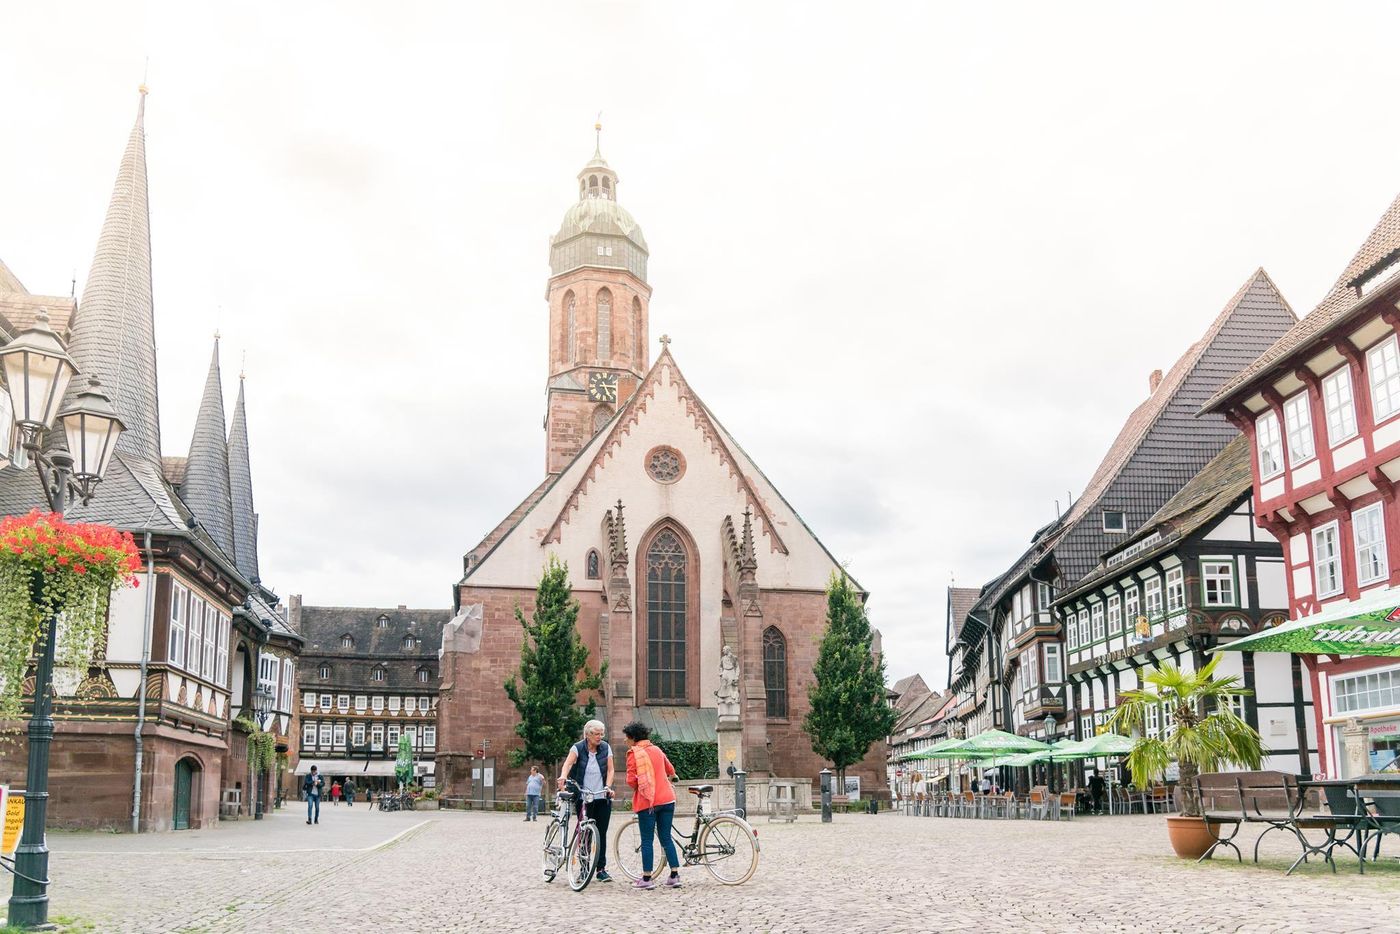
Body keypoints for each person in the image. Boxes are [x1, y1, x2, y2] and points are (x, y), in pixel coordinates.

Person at [622, 720, 680, 890]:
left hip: (648, 801)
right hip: (667, 799)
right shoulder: (657, 749)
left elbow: (632, 781)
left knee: (647, 840)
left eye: (627, 738)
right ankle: (674, 875)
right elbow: (671, 770)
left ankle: (647, 878)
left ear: (633, 738)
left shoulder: (634, 754)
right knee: (666, 838)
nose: (626, 741)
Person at [558, 720, 615, 882]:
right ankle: (584, 869)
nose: (600, 737)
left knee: (601, 834)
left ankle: (601, 869)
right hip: (584, 798)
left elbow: (610, 769)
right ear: (588, 735)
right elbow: (568, 764)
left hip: (602, 796)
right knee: (585, 834)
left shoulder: (606, 747)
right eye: (596, 734)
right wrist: (563, 775)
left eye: (601, 734)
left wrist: (607, 786)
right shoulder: (577, 748)